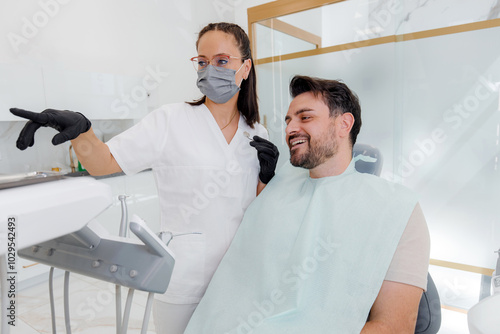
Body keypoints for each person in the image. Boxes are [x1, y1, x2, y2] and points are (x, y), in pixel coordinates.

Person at [10, 22, 279, 334]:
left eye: (221, 61)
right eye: (202, 61)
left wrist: (266, 177)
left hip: (238, 274)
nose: (210, 69)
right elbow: (103, 162)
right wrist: (83, 131)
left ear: (245, 67)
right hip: (183, 279)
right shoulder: (170, 120)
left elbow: (257, 208)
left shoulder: (257, 133)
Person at [184, 75, 430, 333]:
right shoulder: (279, 187)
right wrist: (265, 184)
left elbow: (393, 326)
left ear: (344, 124)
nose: (290, 129)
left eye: (305, 117)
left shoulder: (396, 207)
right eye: (289, 120)